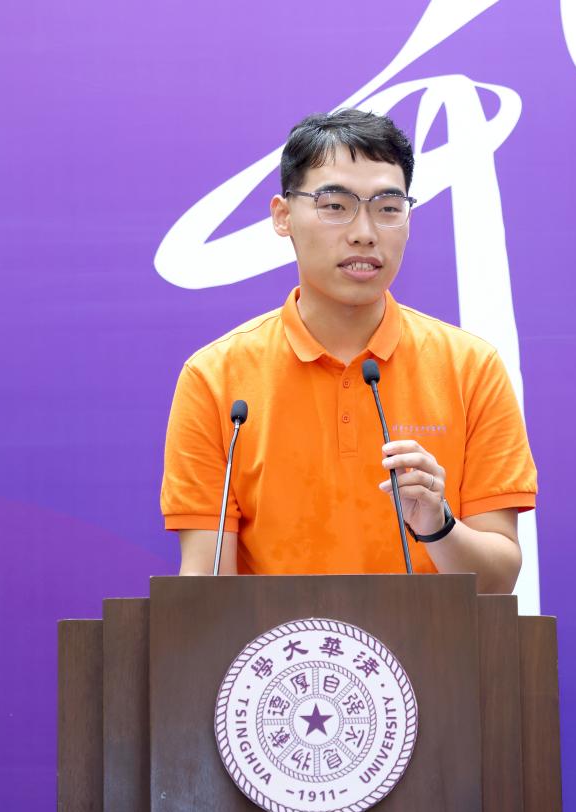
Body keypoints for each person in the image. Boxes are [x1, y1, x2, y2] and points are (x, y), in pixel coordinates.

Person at [160, 109, 536, 594]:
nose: (364, 232)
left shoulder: (470, 369)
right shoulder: (216, 378)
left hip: (429, 644)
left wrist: (437, 525)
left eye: (388, 207)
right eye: (335, 205)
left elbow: (499, 582)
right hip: (280, 645)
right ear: (282, 216)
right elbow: (205, 586)